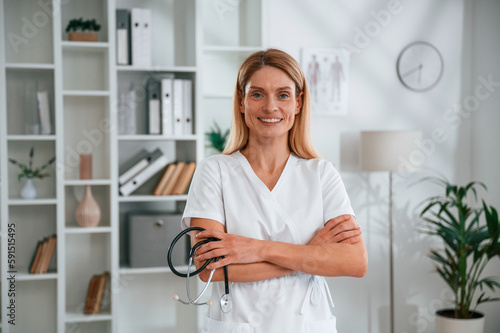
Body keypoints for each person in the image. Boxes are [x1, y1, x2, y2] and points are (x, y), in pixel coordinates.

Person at [181, 48, 367, 332]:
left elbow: (354, 262)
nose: (270, 107)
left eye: (283, 95)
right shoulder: (214, 171)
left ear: (298, 103)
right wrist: (308, 256)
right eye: (257, 94)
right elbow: (209, 269)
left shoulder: (321, 174)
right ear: (242, 102)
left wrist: (255, 249)